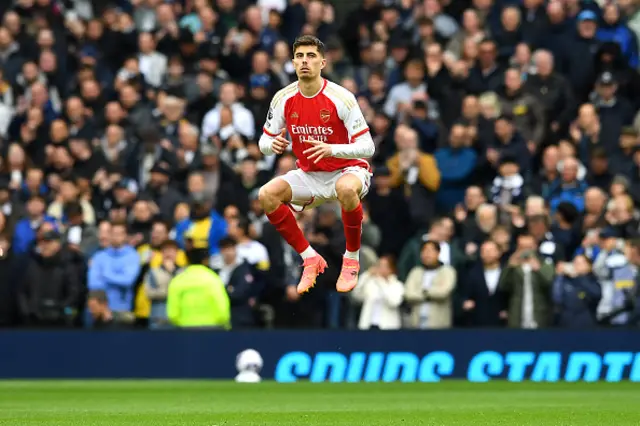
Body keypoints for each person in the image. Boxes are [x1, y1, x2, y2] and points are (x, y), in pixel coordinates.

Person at [257, 35, 375, 295]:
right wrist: (271, 146)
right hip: (310, 175)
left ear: (323, 62)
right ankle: (310, 257)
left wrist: (331, 149)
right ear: (292, 63)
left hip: (347, 169)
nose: (305, 62)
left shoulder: (341, 97)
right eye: (299, 56)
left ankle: (351, 258)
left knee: (345, 190)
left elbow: (368, 147)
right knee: (266, 195)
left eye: (311, 56)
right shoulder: (283, 98)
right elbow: (264, 140)